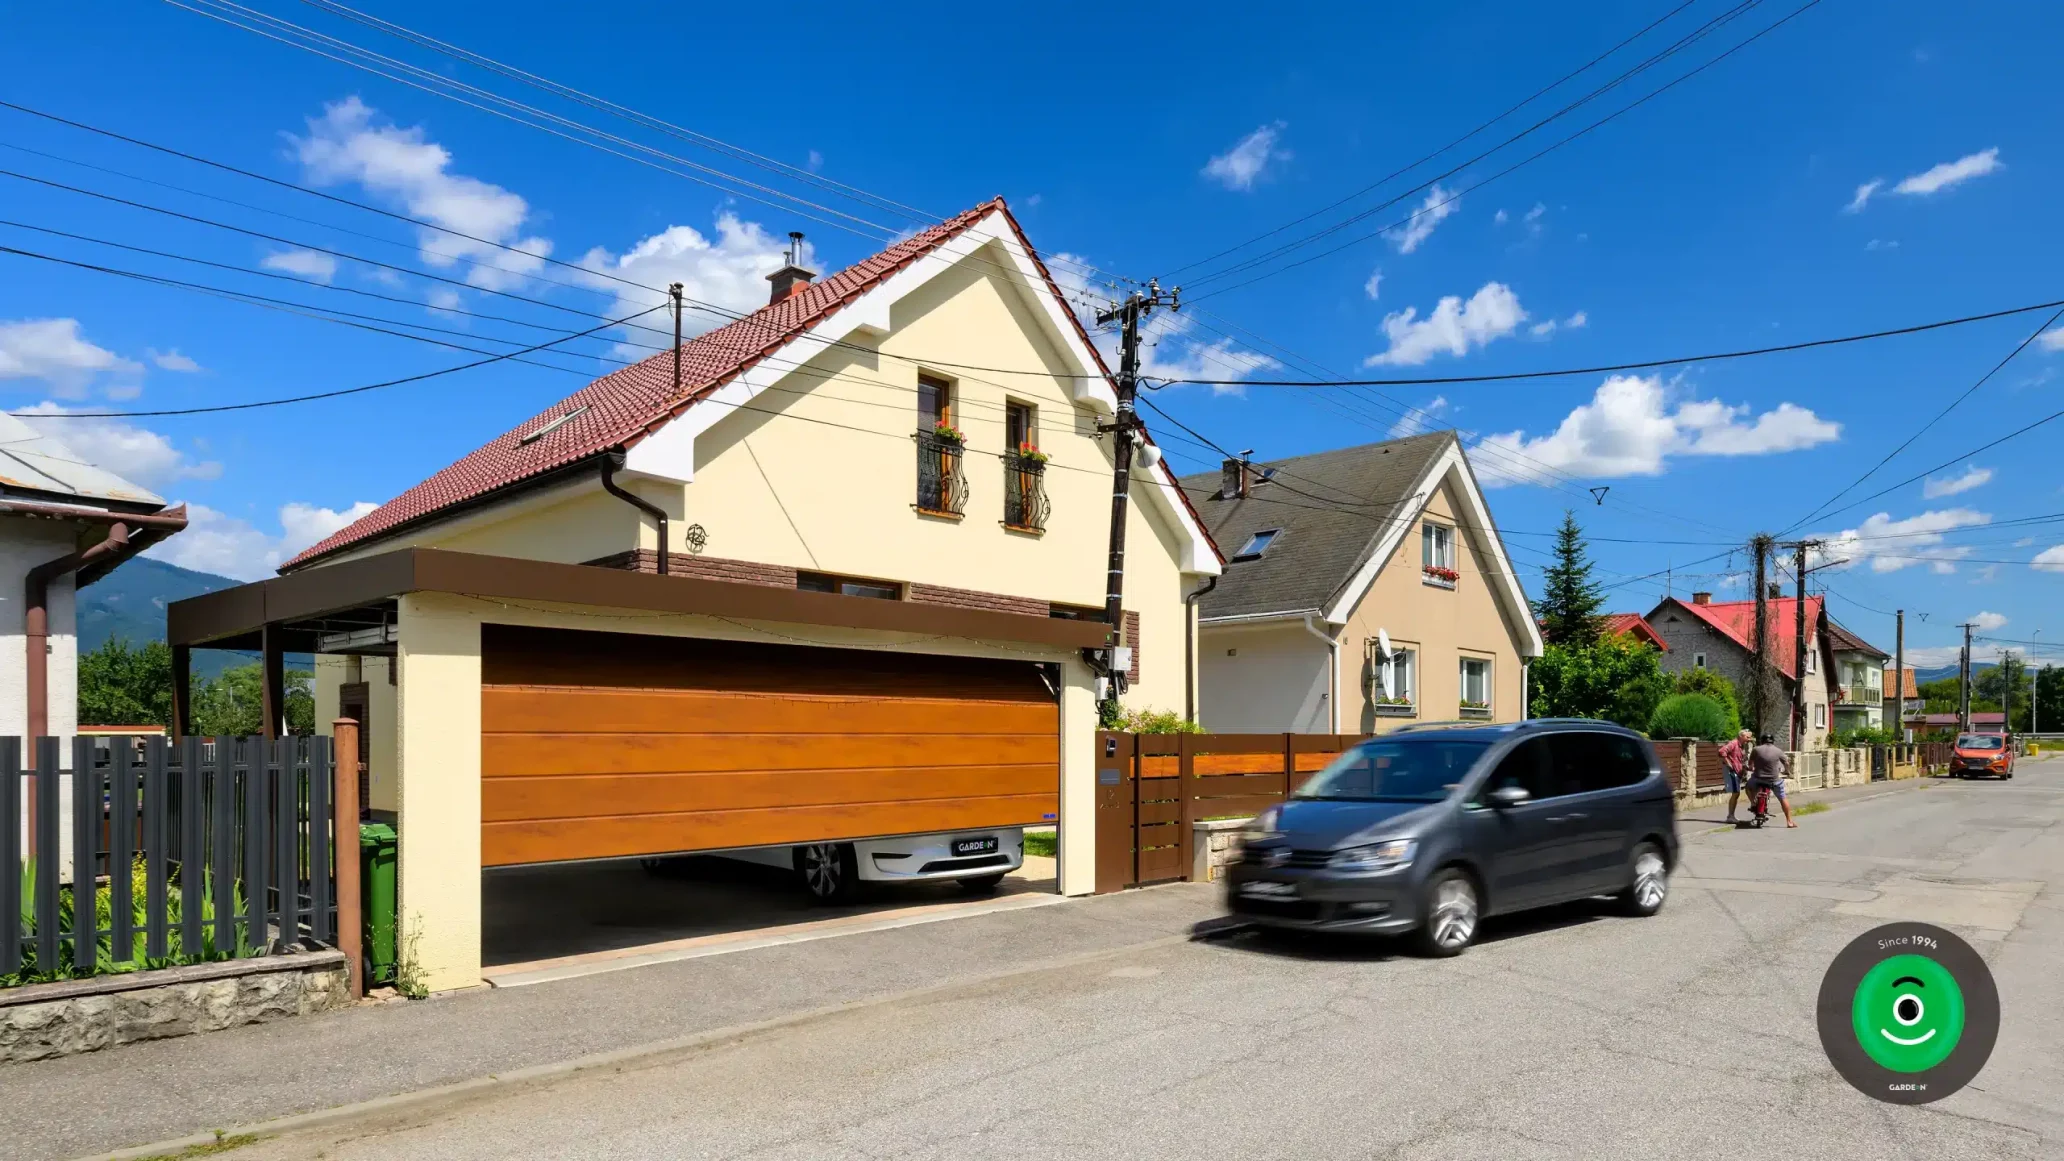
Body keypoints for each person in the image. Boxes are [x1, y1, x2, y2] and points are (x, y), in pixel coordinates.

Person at [1747, 733, 1796, 828]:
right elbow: (1786, 762)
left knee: (1748, 787)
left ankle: (1753, 803)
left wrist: (1751, 767)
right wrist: (1787, 771)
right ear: (1772, 741)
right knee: (1782, 798)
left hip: (1758, 779)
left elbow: (1750, 763)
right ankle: (1789, 821)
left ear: (1762, 741)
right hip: (1774, 780)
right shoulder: (1778, 751)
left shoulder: (1756, 749)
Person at [1719, 728, 1753, 823]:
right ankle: (1730, 816)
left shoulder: (1741, 746)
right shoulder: (1733, 743)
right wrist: (1728, 763)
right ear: (1741, 736)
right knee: (1736, 793)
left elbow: (1738, 759)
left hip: (1738, 772)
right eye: (1747, 737)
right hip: (1732, 771)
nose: (1749, 739)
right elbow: (1722, 751)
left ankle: (1731, 815)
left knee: (1736, 793)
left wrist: (1745, 767)